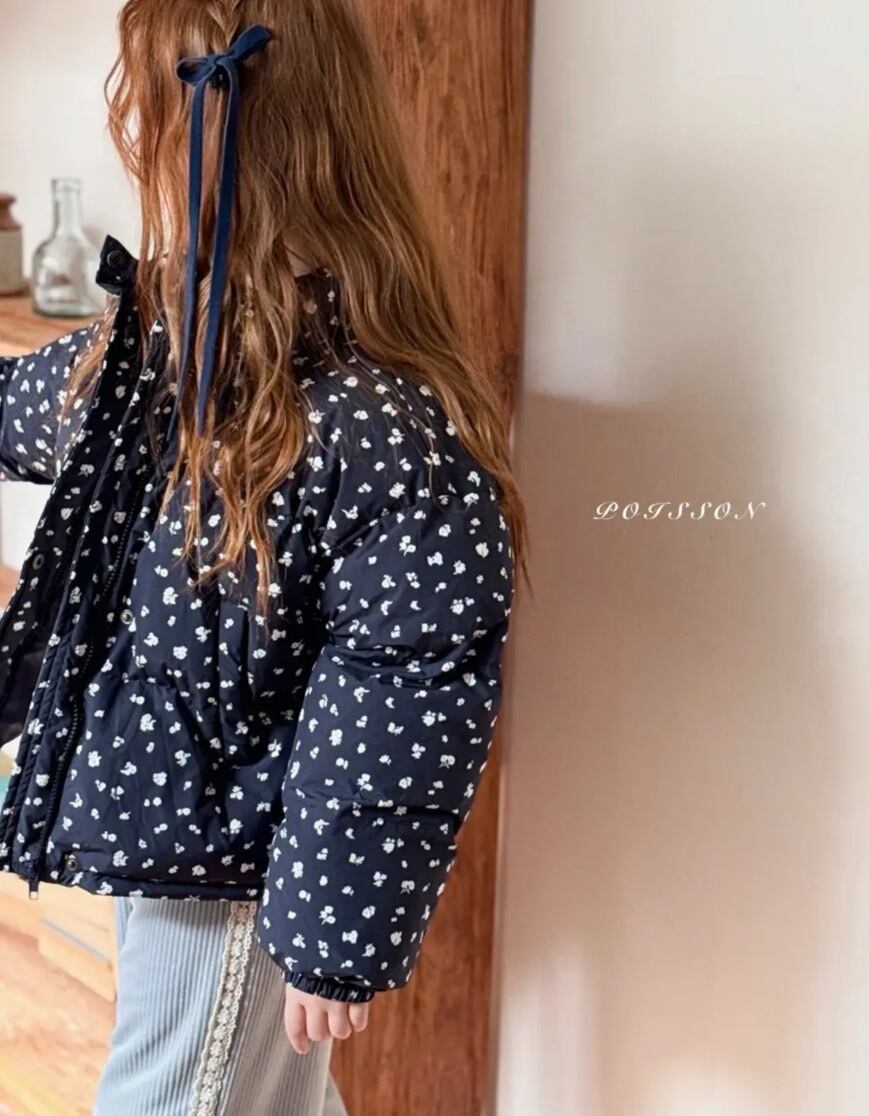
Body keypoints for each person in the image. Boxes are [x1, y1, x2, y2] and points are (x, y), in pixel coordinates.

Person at [0, 2, 524, 1113]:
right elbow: (39, 408)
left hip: (244, 868)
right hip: (165, 829)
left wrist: (331, 926)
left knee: (175, 1096)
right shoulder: (159, 348)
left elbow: (405, 675)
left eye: (152, 126)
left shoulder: (377, 423)